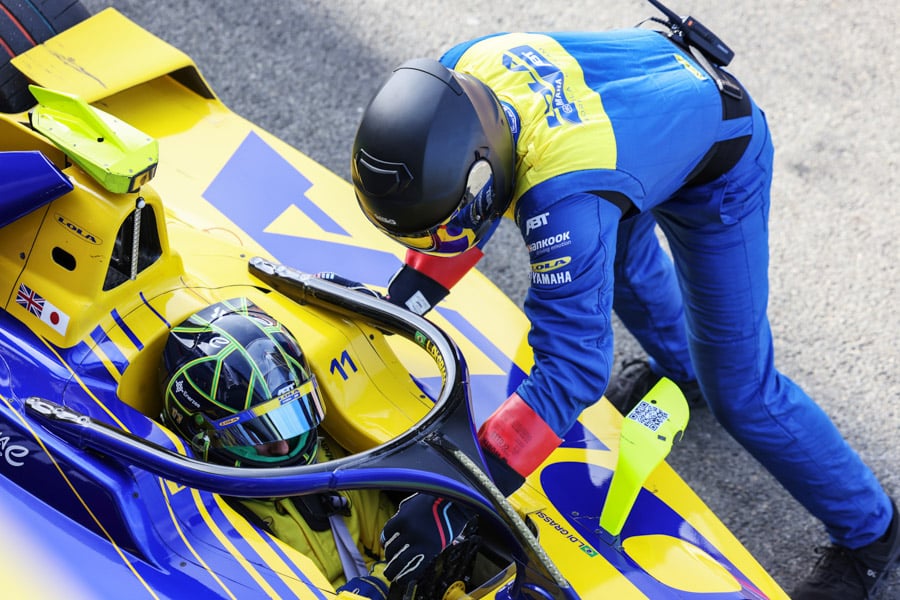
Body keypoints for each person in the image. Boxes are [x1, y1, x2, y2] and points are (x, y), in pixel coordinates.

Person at [347, 19, 900, 599]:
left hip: (718, 160)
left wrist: (464, 493)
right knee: (622, 271)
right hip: (635, 121)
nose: (436, 241)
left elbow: (573, 371)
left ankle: (873, 532)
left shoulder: (565, 205)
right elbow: (462, 216)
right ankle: (677, 370)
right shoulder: (460, 80)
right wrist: (395, 305)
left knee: (741, 389)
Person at [160, 297, 394, 599]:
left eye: (290, 419)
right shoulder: (212, 522)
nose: (285, 446)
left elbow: (402, 541)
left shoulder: (329, 457)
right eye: (260, 434)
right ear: (206, 438)